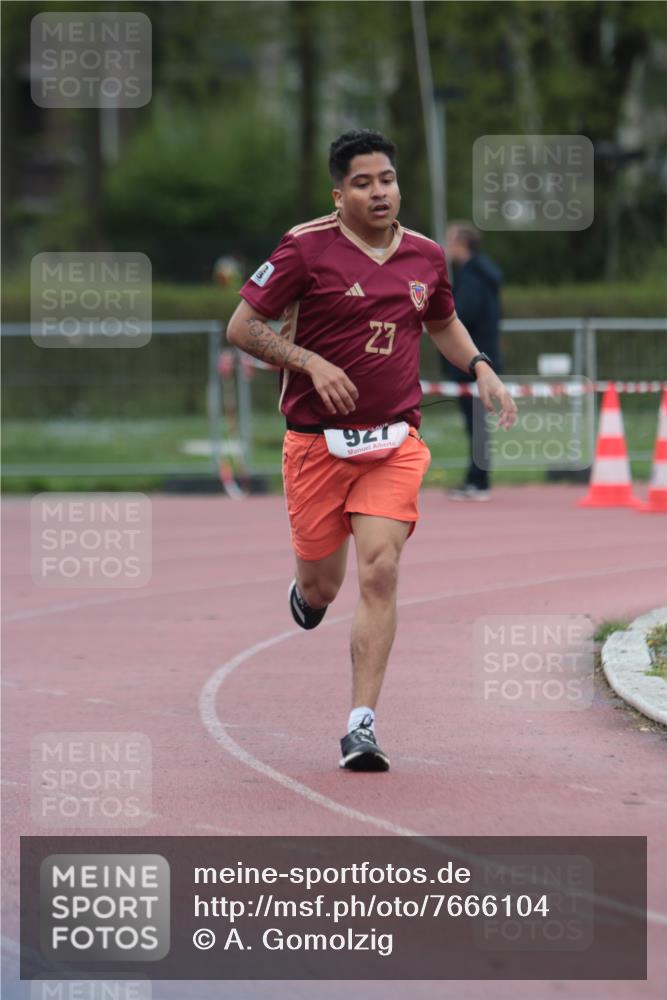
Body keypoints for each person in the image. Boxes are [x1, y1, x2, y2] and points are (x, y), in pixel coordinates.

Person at [227, 130, 516, 772]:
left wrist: (480, 365)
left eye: (386, 178)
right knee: (324, 586)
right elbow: (242, 326)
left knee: (380, 571)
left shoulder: (427, 256)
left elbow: (440, 320)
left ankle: (361, 726)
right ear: (340, 193)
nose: (379, 191)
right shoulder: (304, 248)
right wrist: (310, 364)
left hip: (394, 441)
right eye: (363, 182)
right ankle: (309, 595)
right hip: (316, 447)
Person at [440, 221, 504, 501]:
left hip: (475, 360)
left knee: (476, 422)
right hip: (480, 357)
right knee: (476, 423)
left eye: (450, 240)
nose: (446, 246)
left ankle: (478, 481)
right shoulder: (480, 274)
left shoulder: (472, 277)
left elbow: (462, 315)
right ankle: (476, 478)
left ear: (462, 244)